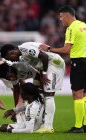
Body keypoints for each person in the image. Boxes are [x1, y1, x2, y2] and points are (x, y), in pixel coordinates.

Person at [0, 42, 65, 133]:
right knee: (40, 94)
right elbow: (38, 64)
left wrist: (44, 74)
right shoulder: (22, 57)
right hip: (47, 66)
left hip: (54, 64)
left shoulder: (25, 49)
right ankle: (42, 123)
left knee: (49, 95)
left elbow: (44, 57)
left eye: (9, 58)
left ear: (12, 53)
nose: (11, 61)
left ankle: (48, 127)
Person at [40, 5, 86, 133]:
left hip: (79, 62)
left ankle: (78, 127)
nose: (60, 20)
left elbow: (66, 50)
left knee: (77, 94)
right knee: (84, 95)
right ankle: (85, 125)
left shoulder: (71, 28)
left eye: (61, 17)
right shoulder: (83, 25)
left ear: (66, 15)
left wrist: (49, 49)